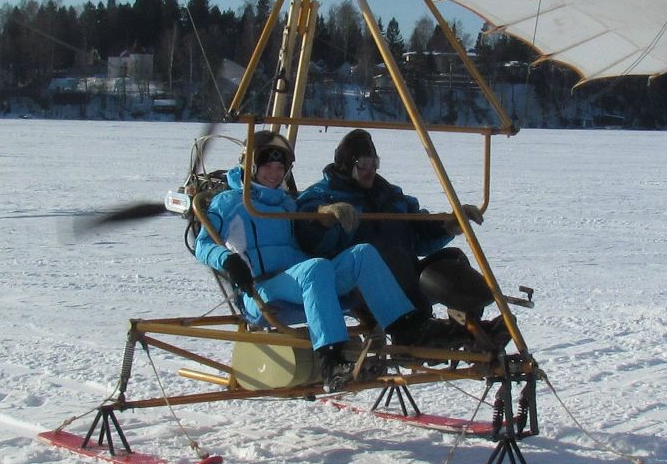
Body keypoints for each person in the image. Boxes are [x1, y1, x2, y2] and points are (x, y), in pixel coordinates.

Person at [194, 129, 456, 391]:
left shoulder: (286, 203)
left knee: (362, 254)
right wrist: (228, 260)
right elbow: (203, 244)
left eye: (279, 168)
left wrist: (324, 220)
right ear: (251, 166)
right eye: (267, 167)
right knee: (316, 268)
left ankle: (405, 329)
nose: (274, 174)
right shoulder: (229, 202)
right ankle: (332, 359)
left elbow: (310, 232)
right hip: (262, 288)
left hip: (302, 280)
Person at [296, 128, 487, 318]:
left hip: (404, 275)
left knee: (453, 259)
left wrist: (449, 225)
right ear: (346, 165)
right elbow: (307, 232)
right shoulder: (324, 194)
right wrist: (324, 216)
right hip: (358, 282)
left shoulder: (389, 194)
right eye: (363, 164)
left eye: (374, 163)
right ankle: (416, 326)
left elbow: (419, 231)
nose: (371, 170)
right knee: (391, 254)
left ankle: (472, 326)